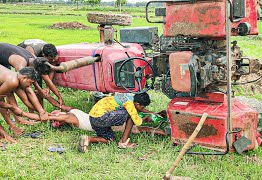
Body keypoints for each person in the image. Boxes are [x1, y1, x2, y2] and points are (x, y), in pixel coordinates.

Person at [17, 92, 167, 152]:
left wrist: (153, 114)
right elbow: (137, 119)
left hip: (95, 120)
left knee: (109, 139)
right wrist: (23, 114)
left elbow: (59, 106)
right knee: (130, 117)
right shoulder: (129, 103)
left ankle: (88, 140)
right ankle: (124, 143)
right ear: (139, 104)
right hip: (100, 118)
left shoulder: (126, 97)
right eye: (141, 107)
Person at [0, 66, 39, 145]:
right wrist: (12, 107)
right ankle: (3, 135)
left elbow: (26, 101)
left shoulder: (15, 77)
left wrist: (42, 112)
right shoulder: (13, 81)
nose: (29, 86)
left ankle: (9, 128)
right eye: (30, 83)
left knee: (7, 94)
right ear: (24, 78)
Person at [17, 39, 59, 105]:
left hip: (36, 58)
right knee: (27, 85)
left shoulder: (52, 53)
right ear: (43, 55)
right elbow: (31, 73)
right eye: (51, 59)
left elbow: (52, 70)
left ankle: (40, 106)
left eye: (54, 58)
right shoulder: (31, 52)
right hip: (20, 55)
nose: (53, 60)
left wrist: (48, 88)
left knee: (40, 82)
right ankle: (32, 109)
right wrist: (39, 89)